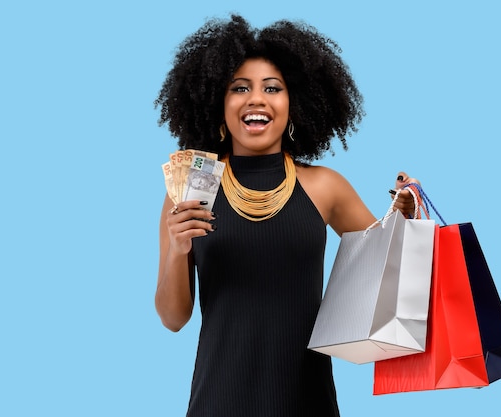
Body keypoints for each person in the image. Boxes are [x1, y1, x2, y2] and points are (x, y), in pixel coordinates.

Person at [154, 14, 419, 417]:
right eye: (239, 88)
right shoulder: (190, 190)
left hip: (307, 401)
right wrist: (176, 249)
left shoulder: (324, 186)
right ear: (217, 104)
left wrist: (408, 216)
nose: (256, 99)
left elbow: (390, 270)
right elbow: (173, 319)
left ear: (293, 105)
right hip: (218, 400)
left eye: (272, 88)